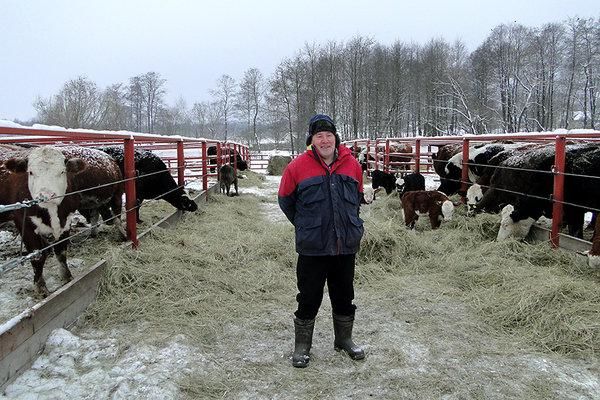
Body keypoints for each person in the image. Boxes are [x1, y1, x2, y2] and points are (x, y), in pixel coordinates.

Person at [278, 114, 366, 368]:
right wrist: (306, 225)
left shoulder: (352, 165)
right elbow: (286, 201)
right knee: (308, 296)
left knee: (344, 294)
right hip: (313, 247)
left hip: (344, 245)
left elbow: (357, 198)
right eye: (319, 136)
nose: (325, 140)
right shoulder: (297, 167)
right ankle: (303, 346)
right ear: (312, 140)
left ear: (336, 138)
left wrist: (348, 224)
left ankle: (344, 339)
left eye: (329, 135)